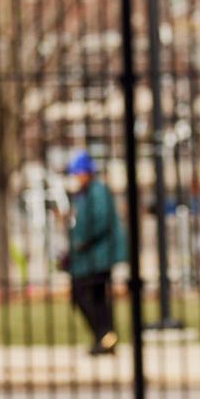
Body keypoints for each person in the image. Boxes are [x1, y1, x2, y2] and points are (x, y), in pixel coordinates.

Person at [61, 151, 125, 353]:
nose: (76, 178)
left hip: (97, 257)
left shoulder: (97, 192)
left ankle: (104, 335)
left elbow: (99, 221)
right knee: (94, 297)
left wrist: (80, 242)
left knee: (86, 294)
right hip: (88, 257)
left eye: (78, 173)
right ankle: (104, 337)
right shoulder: (85, 193)